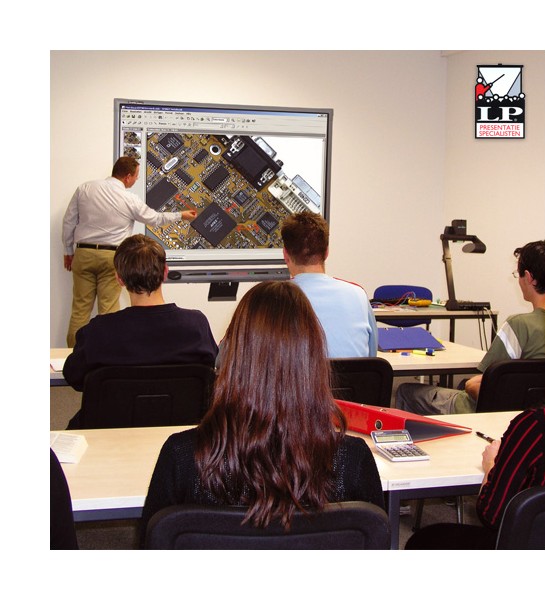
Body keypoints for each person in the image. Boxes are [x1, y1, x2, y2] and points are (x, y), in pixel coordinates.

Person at [140, 280, 384, 545]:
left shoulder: (182, 456)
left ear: (233, 356)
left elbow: (151, 544)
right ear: (313, 360)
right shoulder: (352, 460)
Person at [63, 234, 218, 427]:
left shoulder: (99, 330)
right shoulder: (196, 326)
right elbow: (211, 372)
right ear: (165, 272)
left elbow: (74, 377)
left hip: (108, 433)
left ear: (119, 279)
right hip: (181, 434)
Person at [396, 240, 545, 414]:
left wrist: (470, 385)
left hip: (484, 410)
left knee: (406, 391)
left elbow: (487, 383)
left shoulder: (519, 325)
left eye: (518, 275)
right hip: (535, 414)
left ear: (528, 277)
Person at [62, 156, 198, 347]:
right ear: (127, 177)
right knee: (108, 310)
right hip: (111, 258)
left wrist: (68, 251)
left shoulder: (85, 188)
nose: (135, 180)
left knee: (80, 309)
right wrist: (180, 215)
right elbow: (155, 219)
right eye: (135, 176)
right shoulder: (129, 199)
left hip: (83, 253)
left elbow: (69, 222)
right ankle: (106, 354)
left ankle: (72, 355)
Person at [404, 403, 545, 549]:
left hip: (524, 544)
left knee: (423, 540)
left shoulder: (535, 426)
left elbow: (492, 516)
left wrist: (490, 465)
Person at [280, 212, 378, 357]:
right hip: (352, 373)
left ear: (285, 255)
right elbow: (371, 358)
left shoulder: (270, 300)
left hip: (297, 373)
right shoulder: (358, 295)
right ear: (326, 252)